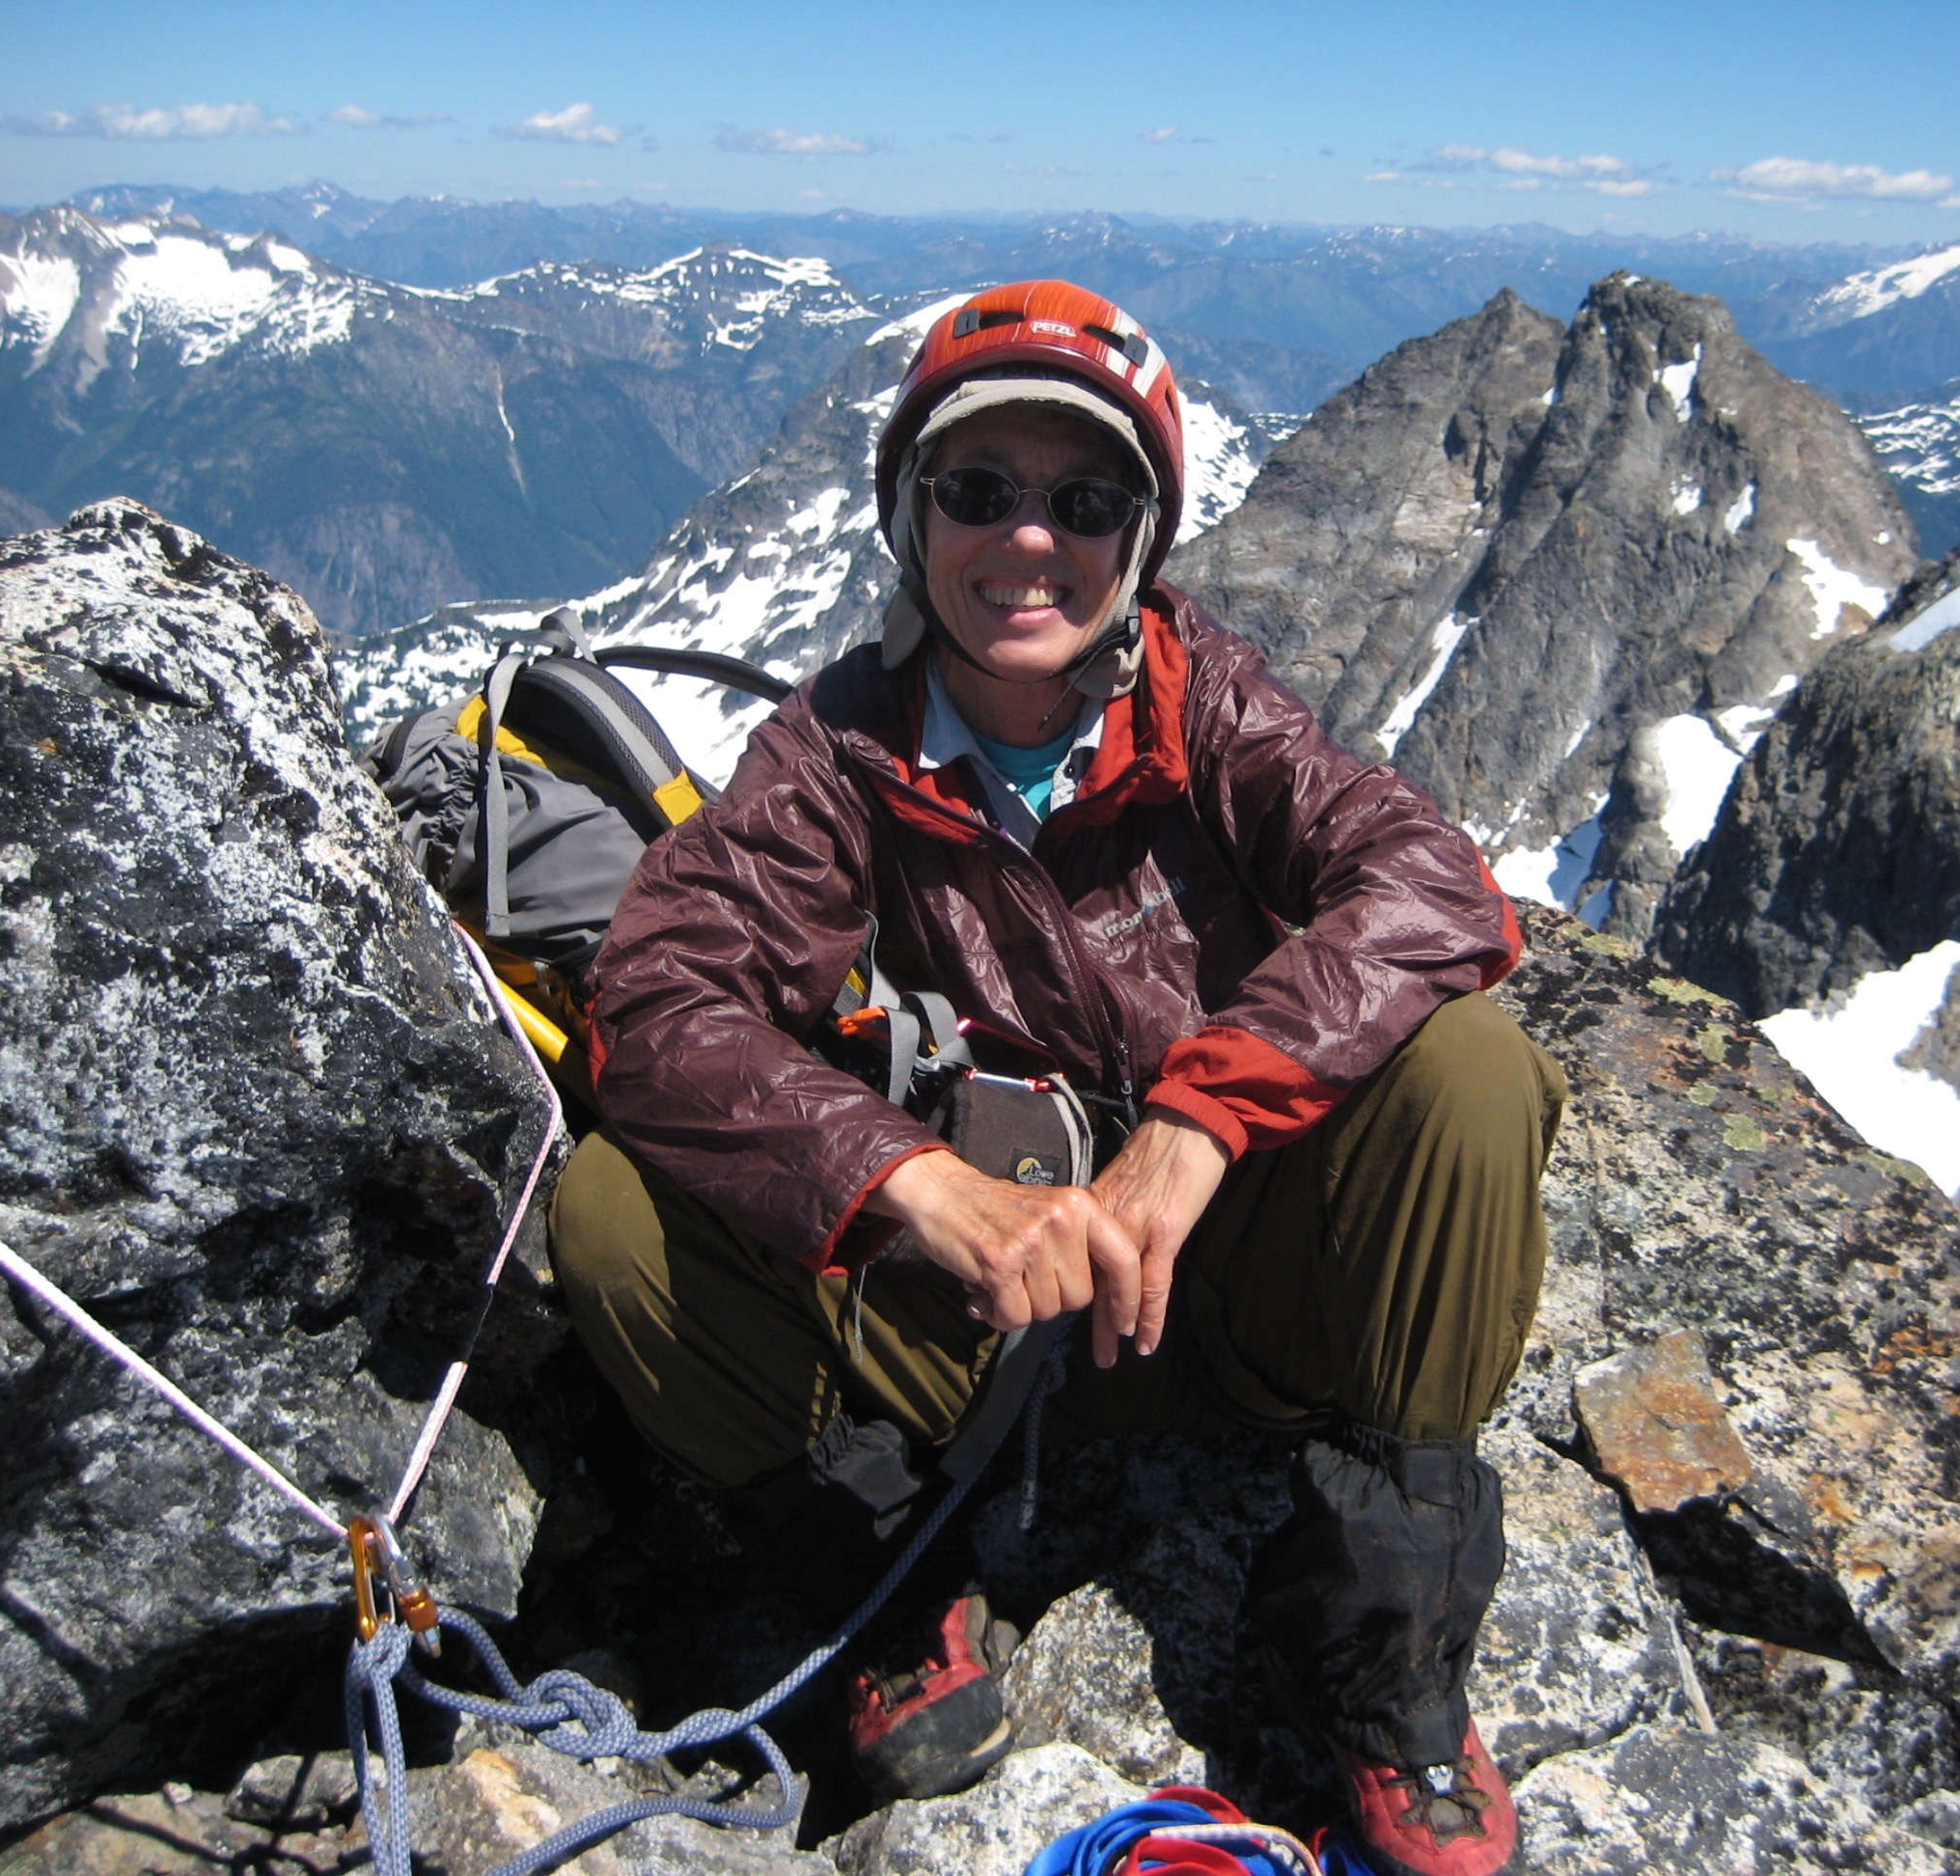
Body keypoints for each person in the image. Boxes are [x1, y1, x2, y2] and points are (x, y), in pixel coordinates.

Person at [550, 280, 1564, 1876]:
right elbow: (657, 998)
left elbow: (1434, 890)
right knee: (612, 1207)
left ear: (1139, 542)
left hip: (1222, 1288)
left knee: (1474, 1070)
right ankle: (889, 1582)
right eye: (979, 491)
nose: (1030, 541)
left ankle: (1387, 1661)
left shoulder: (1208, 702)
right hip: (989, 1321)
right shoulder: (834, 757)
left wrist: (1201, 1118)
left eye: (1085, 501)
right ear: (910, 515)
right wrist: (903, 1180)